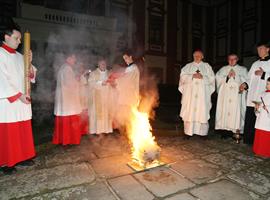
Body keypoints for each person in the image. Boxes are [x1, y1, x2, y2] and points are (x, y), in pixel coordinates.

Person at [0, 25, 37, 174]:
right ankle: (6, 163)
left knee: (22, 130)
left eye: (20, 39)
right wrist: (17, 95)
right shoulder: (0, 54)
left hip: (22, 101)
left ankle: (23, 157)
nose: (20, 41)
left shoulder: (20, 57)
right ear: (6, 37)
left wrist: (30, 62)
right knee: (9, 133)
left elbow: (30, 75)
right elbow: (2, 79)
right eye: (17, 38)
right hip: (8, 102)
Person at [178, 50, 215, 139]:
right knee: (189, 112)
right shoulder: (188, 66)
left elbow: (212, 78)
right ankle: (188, 133)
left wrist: (203, 77)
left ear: (202, 57)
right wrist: (192, 76)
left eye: (199, 56)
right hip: (190, 96)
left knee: (202, 112)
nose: (197, 57)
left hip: (202, 96)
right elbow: (182, 77)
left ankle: (202, 134)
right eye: (195, 56)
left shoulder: (207, 66)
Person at [52, 53, 83, 145]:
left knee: (64, 120)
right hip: (68, 101)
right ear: (69, 58)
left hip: (64, 100)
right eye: (74, 58)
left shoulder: (63, 67)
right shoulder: (67, 69)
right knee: (70, 120)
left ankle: (64, 140)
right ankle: (69, 140)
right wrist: (78, 80)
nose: (75, 60)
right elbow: (70, 84)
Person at [215, 54, 248, 139]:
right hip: (225, 96)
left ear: (237, 59)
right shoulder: (223, 69)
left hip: (236, 96)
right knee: (225, 111)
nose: (232, 61)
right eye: (230, 59)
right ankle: (225, 132)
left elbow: (247, 82)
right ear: (227, 60)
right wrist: (227, 77)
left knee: (236, 111)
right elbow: (217, 79)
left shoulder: (243, 69)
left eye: (234, 59)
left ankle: (236, 132)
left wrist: (236, 77)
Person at [243, 42, 270, 145]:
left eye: (261, 49)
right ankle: (249, 140)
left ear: (267, 49)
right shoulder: (255, 64)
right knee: (250, 118)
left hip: (264, 97)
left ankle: (259, 141)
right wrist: (245, 84)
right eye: (258, 49)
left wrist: (264, 74)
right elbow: (249, 78)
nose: (259, 51)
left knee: (261, 119)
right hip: (253, 95)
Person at [108, 50, 140, 130]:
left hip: (131, 95)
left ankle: (135, 134)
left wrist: (115, 81)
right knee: (128, 117)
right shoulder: (130, 68)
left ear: (131, 57)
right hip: (128, 95)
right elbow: (124, 76)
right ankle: (131, 135)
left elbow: (126, 80)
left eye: (126, 58)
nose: (125, 60)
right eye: (124, 59)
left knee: (131, 116)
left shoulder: (134, 68)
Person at [88, 58, 113, 135]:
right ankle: (98, 131)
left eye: (104, 64)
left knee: (106, 113)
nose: (103, 65)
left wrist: (113, 84)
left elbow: (114, 83)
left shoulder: (109, 73)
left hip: (107, 97)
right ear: (98, 65)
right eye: (102, 64)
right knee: (98, 114)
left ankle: (106, 130)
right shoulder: (93, 73)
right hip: (97, 97)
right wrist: (101, 83)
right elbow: (90, 83)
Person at [253, 77, 270, 157]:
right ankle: (258, 150)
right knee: (259, 134)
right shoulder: (262, 93)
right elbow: (259, 106)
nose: (267, 85)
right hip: (260, 118)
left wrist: (268, 108)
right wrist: (257, 107)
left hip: (267, 119)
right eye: (267, 83)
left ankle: (265, 152)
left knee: (265, 136)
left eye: (269, 84)